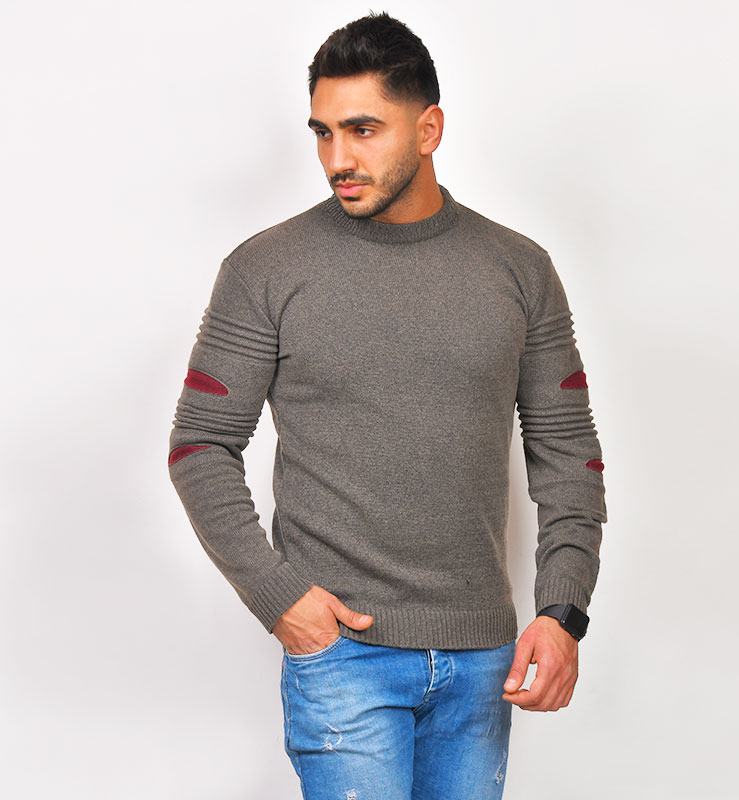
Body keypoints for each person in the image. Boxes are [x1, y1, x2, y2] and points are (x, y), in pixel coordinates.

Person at [168, 11, 607, 799]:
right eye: (324, 133)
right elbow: (199, 444)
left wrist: (562, 610)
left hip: (483, 660)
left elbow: (569, 456)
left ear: (429, 128)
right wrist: (281, 600)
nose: (338, 159)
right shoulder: (265, 269)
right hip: (344, 658)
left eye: (363, 130)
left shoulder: (520, 270)